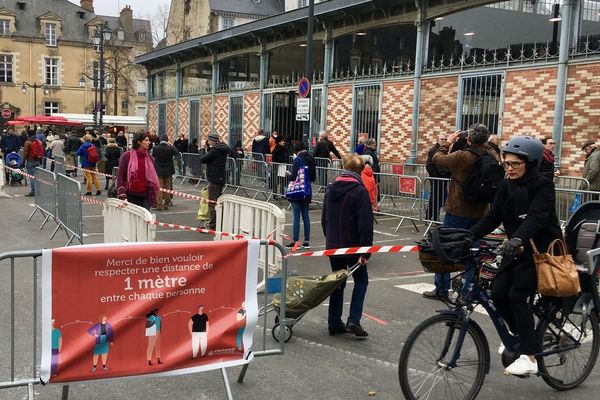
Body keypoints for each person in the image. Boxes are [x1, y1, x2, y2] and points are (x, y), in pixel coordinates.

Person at [469, 135, 562, 376]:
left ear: (530, 164)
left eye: (514, 164)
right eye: (506, 163)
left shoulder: (542, 184)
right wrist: (467, 235)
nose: (508, 168)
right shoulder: (506, 184)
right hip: (517, 248)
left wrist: (518, 238)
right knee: (498, 292)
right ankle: (519, 334)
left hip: (540, 251)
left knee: (517, 295)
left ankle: (529, 357)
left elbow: (537, 217)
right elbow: (493, 217)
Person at [425, 123, 499, 301]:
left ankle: (442, 289)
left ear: (469, 138)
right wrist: (483, 142)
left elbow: (437, 158)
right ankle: (468, 291)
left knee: (445, 250)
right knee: (473, 253)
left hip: (457, 211)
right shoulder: (491, 155)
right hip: (480, 212)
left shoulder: (462, 156)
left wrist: (447, 142)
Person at [322, 154, 373, 337]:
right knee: (361, 280)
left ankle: (334, 322)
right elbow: (365, 224)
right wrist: (366, 251)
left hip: (334, 244)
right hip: (353, 245)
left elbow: (324, 219)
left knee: (337, 282)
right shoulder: (360, 191)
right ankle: (354, 320)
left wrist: (329, 239)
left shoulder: (330, 189)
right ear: (360, 171)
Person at [116, 132, 161, 210]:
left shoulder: (149, 157)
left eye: (149, 140)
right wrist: (122, 194)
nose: (149, 142)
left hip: (144, 195)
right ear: (139, 142)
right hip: (130, 194)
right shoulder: (126, 156)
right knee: (131, 220)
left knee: (145, 219)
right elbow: (121, 176)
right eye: (146, 140)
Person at [286, 142, 316, 248]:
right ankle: (306, 241)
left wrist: (288, 175)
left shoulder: (297, 160)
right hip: (307, 190)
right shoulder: (312, 159)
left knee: (296, 217)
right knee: (306, 216)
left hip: (297, 191)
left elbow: (294, 177)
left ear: (297, 151)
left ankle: (295, 241)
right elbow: (313, 177)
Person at [199, 132, 231, 229]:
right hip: (220, 177)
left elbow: (203, 159)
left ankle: (213, 224)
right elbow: (212, 157)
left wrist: (202, 148)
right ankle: (219, 222)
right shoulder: (221, 148)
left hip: (214, 178)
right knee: (218, 201)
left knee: (212, 202)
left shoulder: (215, 150)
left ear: (211, 140)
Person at [425, 135, 451, 221]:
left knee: (440, 198)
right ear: (437, 140)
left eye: (445, 139)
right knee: (435, 198)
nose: (444, 140)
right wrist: (437, 177)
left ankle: (435, 217)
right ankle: (429, 216)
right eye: (442, 139)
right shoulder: (433, 150)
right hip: (436, 178)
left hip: (443, 178)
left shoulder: (444, 151)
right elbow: (429, 166)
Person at [152, 134, 180, 211]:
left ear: (160, 140)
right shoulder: (170, 148)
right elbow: (177, 152)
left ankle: (159, 205)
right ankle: (167, 203)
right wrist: (171, 145)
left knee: (159, 188)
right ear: (167, 140)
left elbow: (153, 155)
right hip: (168, 170)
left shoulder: (156, 148)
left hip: (159, 170)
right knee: (167, 187)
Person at [22, 130, 43, 196]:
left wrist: (23, 162)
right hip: (37, 160)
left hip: (30, 160)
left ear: (28, 134)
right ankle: (38, 190)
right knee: (37, 176)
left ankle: (33, 191)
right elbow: (42, 150)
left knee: (32, 177)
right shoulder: (38, 141)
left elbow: (25, 153)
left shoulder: (28, 142)